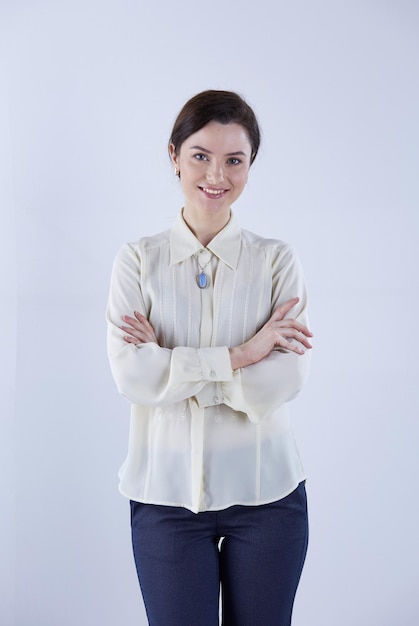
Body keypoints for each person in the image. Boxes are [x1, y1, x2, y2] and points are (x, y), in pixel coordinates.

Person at [106, 90, 313, 626]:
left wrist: (177, 367)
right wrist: (243, 353)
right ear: (173, 156)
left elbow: (284, 378)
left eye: (234, 159)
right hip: (165, 499)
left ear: (250, 166)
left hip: (267, 496)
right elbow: (133, 376)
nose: (216, 174)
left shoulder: (275, 261)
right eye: (200, 154)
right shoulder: (137, 261)